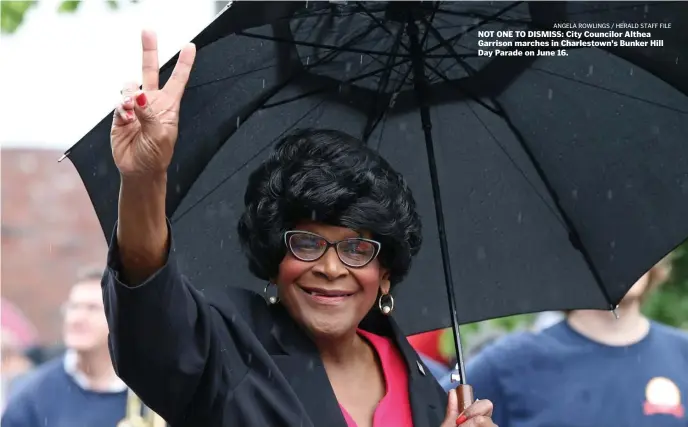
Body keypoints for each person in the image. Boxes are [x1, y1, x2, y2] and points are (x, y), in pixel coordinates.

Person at [102, 30, 497, 427]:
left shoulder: (428, 389)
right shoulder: (230, 347)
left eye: (357, 249)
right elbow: (150, 320)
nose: (330, 267)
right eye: (308, 243)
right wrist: (145, 179)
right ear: (276, 258)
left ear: (386, 276)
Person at [442, 259, 688, 427]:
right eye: (610, 238)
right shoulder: (511, 362)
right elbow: (421, 410)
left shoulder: (683, 354)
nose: (628, 258)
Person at [2, 267, 127, 427]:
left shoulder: (148, 393)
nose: (77, 318)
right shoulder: (32, 394)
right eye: (73, 307)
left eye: (92, 308)